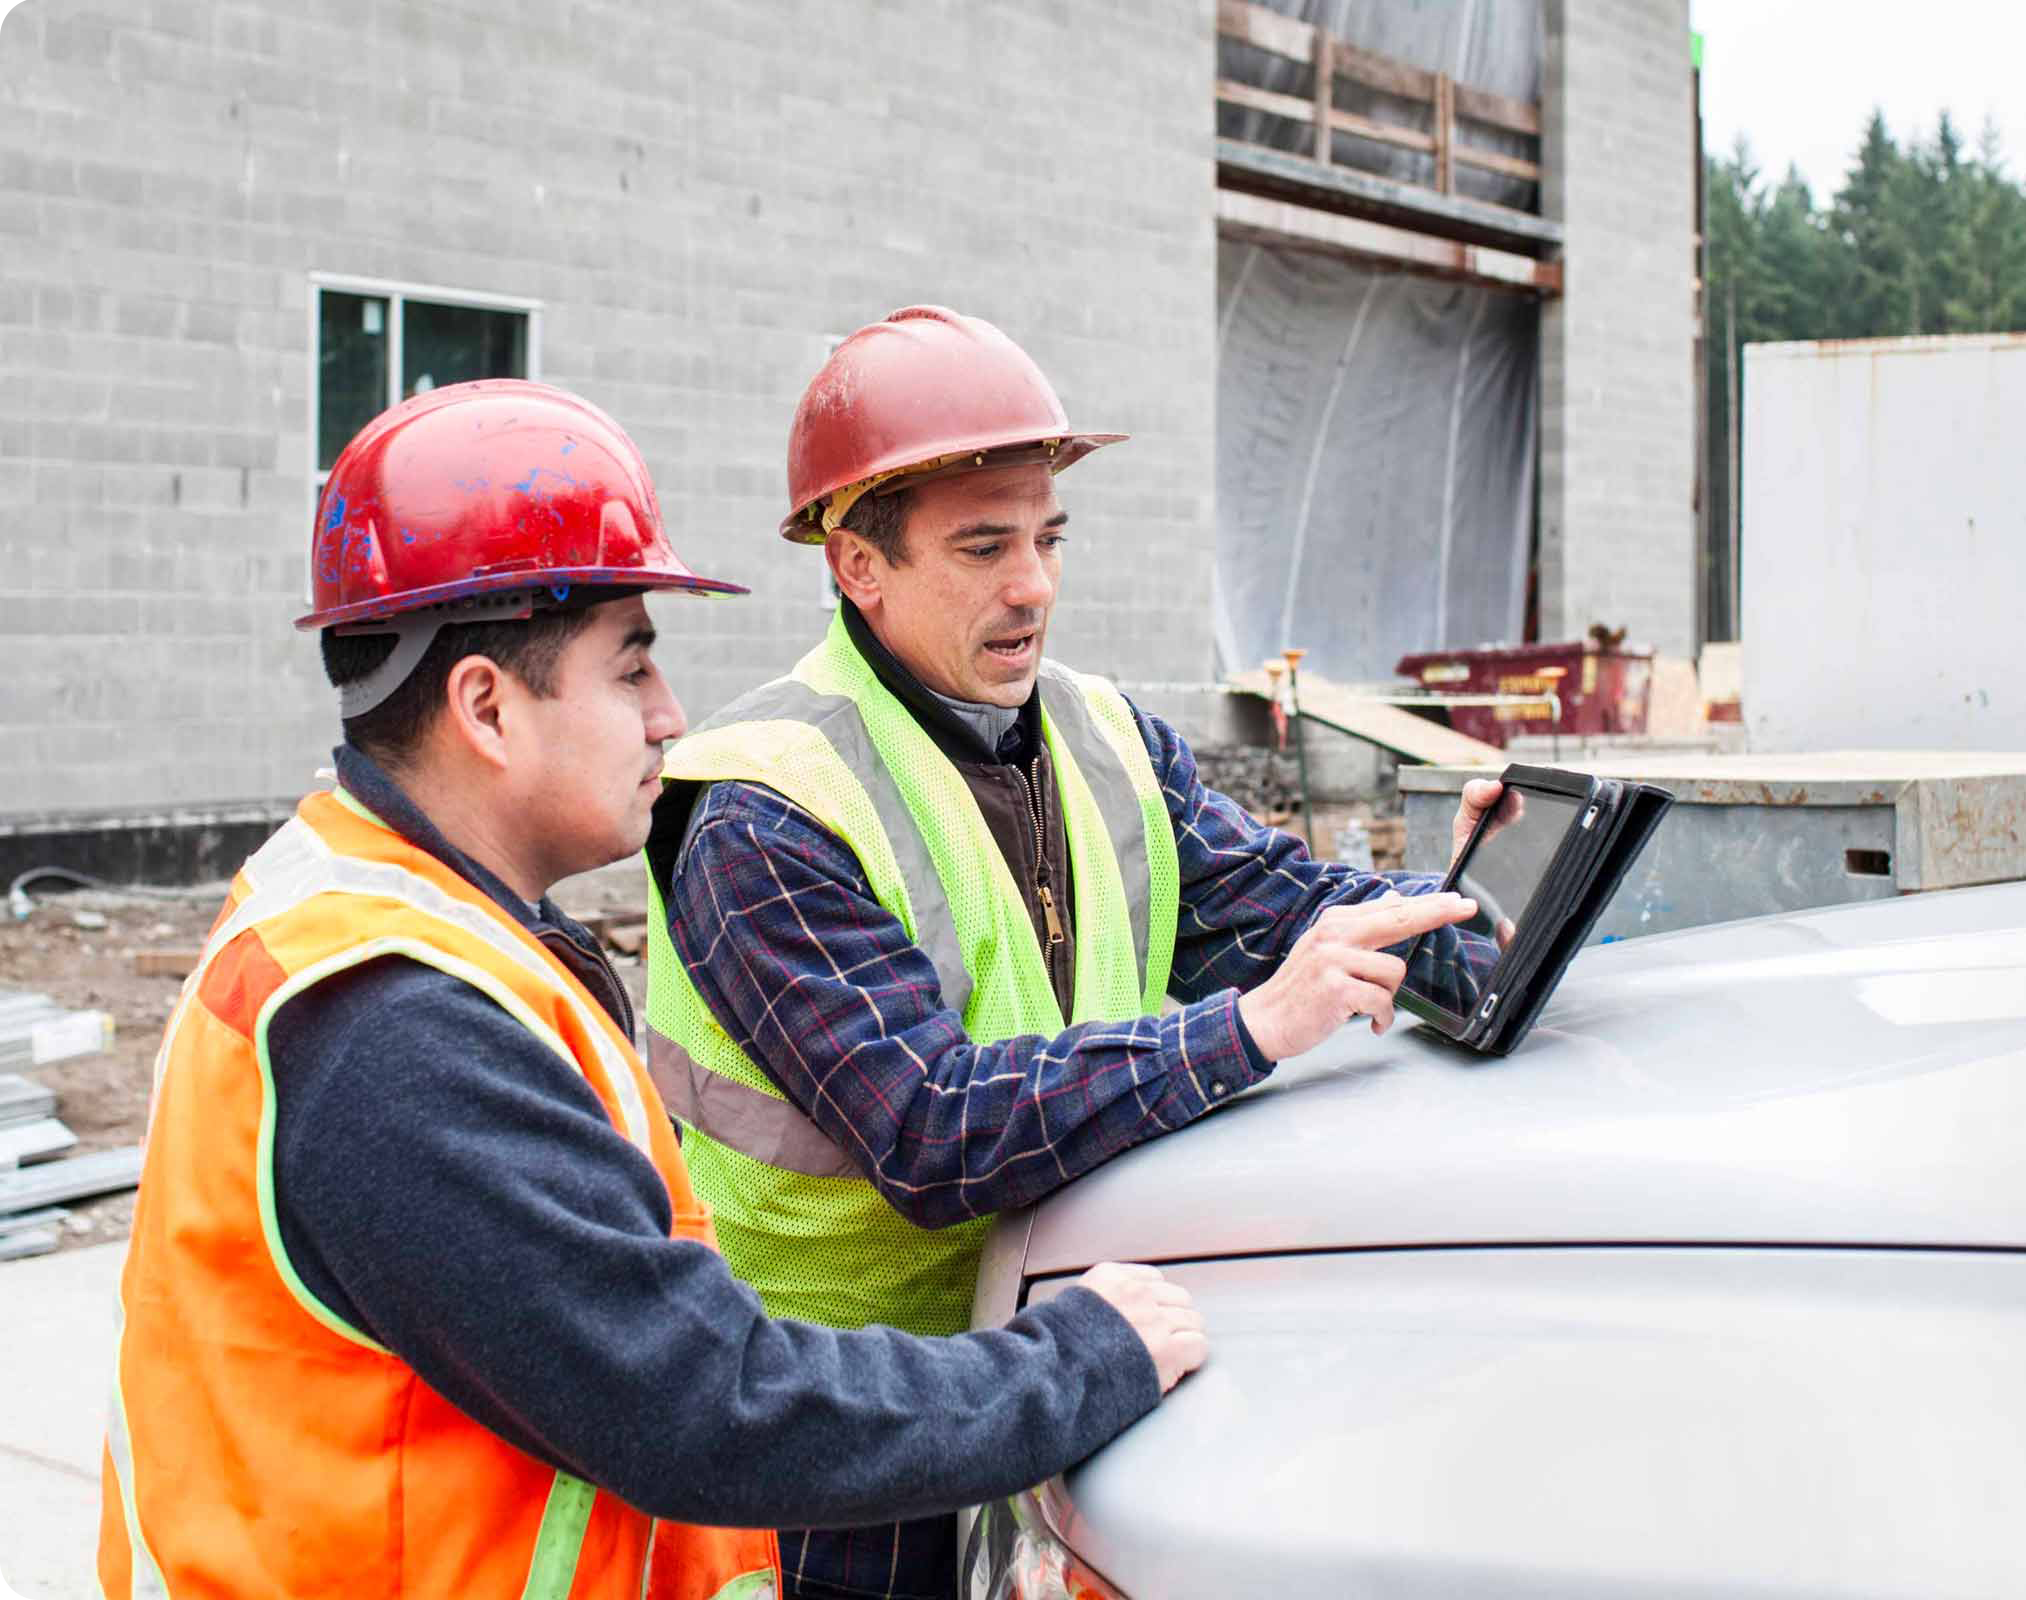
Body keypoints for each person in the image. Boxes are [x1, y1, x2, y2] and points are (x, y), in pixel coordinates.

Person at [97, 380, 1205, 1600]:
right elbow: (706, 1404)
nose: (670, 717)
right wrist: (1081, 1361)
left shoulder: (415, 924)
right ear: (485, 707)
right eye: (632, 671)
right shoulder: (394, 1029)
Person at [644, 306, 1496, 1600]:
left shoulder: (1104, 736)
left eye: (1047, 538)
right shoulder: (762, 812)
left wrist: (1475, 922)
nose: (1033, 584)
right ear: (858, 568)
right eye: (982, 547)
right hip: (850, 1428)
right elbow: (930, 1129)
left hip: (1069, 1344)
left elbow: (1282, 906)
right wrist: (1252, 1029)